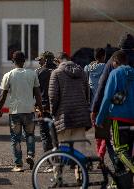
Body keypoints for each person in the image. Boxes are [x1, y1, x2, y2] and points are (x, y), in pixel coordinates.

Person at [0, 51, 43, 172]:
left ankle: (18, 165)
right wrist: (40, 109)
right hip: (29, 111)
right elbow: (37, 94)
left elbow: (3, 96)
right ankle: (30, 155)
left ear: (13, 61)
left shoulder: (8, 75)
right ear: (24, 61)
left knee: (15, 138)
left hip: (15, 112)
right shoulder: (32, 74)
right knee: (30, 135)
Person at [49, 53, 91, 183]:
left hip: (64, 117)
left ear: (58, 61)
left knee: (62, 149)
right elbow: (87, 94)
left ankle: (58, 178)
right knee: (80, 149)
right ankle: (80, 176)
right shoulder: (82, 72)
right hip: (80, 116)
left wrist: (53, 112)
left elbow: (53, 97)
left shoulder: (56, 73)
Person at [96, 50, 134, 189]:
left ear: (115, 62)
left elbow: (107, 98)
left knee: (119, 150)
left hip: (119, 117)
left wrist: (100, 118)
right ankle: (118, 183)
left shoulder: (115, 73)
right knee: (128, 152)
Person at [84, 48, 113, 167]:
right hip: (105, 105)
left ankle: (99, 155)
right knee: (106, 133)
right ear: (104, 56)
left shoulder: (87, 68)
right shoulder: (108, 67)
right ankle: (101, 156)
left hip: (93, 107)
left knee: (98, 133)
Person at [34, 51, 57, 172]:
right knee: (57, 135)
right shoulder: (58, 71)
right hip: (57, 109)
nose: (38, 62)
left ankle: (50, 163)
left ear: (45, 60)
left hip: (42, 108)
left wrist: (37, 106)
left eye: (40, 60)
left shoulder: (38, 72)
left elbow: (35, 91)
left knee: (45, 136)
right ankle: (58, 161)